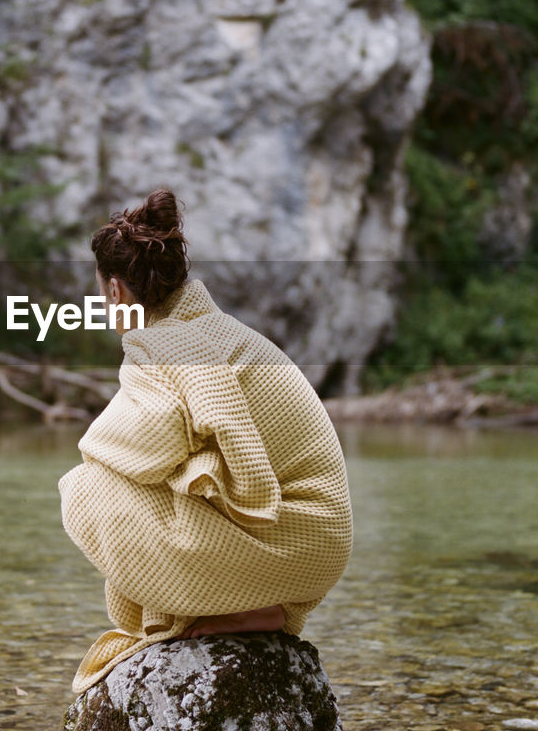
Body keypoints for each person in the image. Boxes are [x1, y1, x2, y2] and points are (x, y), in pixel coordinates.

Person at [57, 188, 353, 694]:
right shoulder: (223, 332)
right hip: (322, 548)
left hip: (294, 538)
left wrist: (98, 446)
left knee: (84, 488)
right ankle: (256, 610)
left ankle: (222, 605)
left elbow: (145, 450)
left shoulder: (160, 343)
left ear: (114, 292)